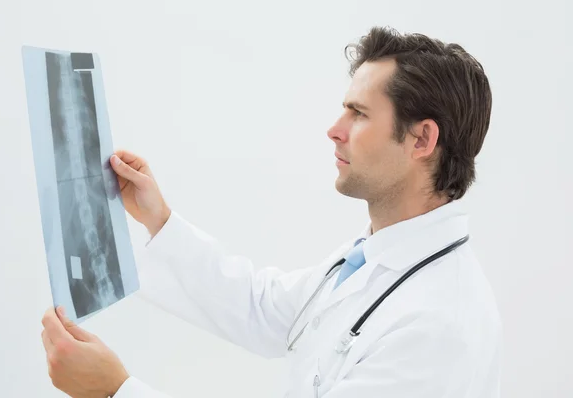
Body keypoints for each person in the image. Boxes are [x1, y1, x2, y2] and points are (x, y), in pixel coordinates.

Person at [40, 26, 502, 397]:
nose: (334, 130)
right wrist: (158, 220)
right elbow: (263, 308)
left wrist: (116, 391)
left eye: (358, 114)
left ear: (421, 140)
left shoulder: (439, 325)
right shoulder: (370, 260)